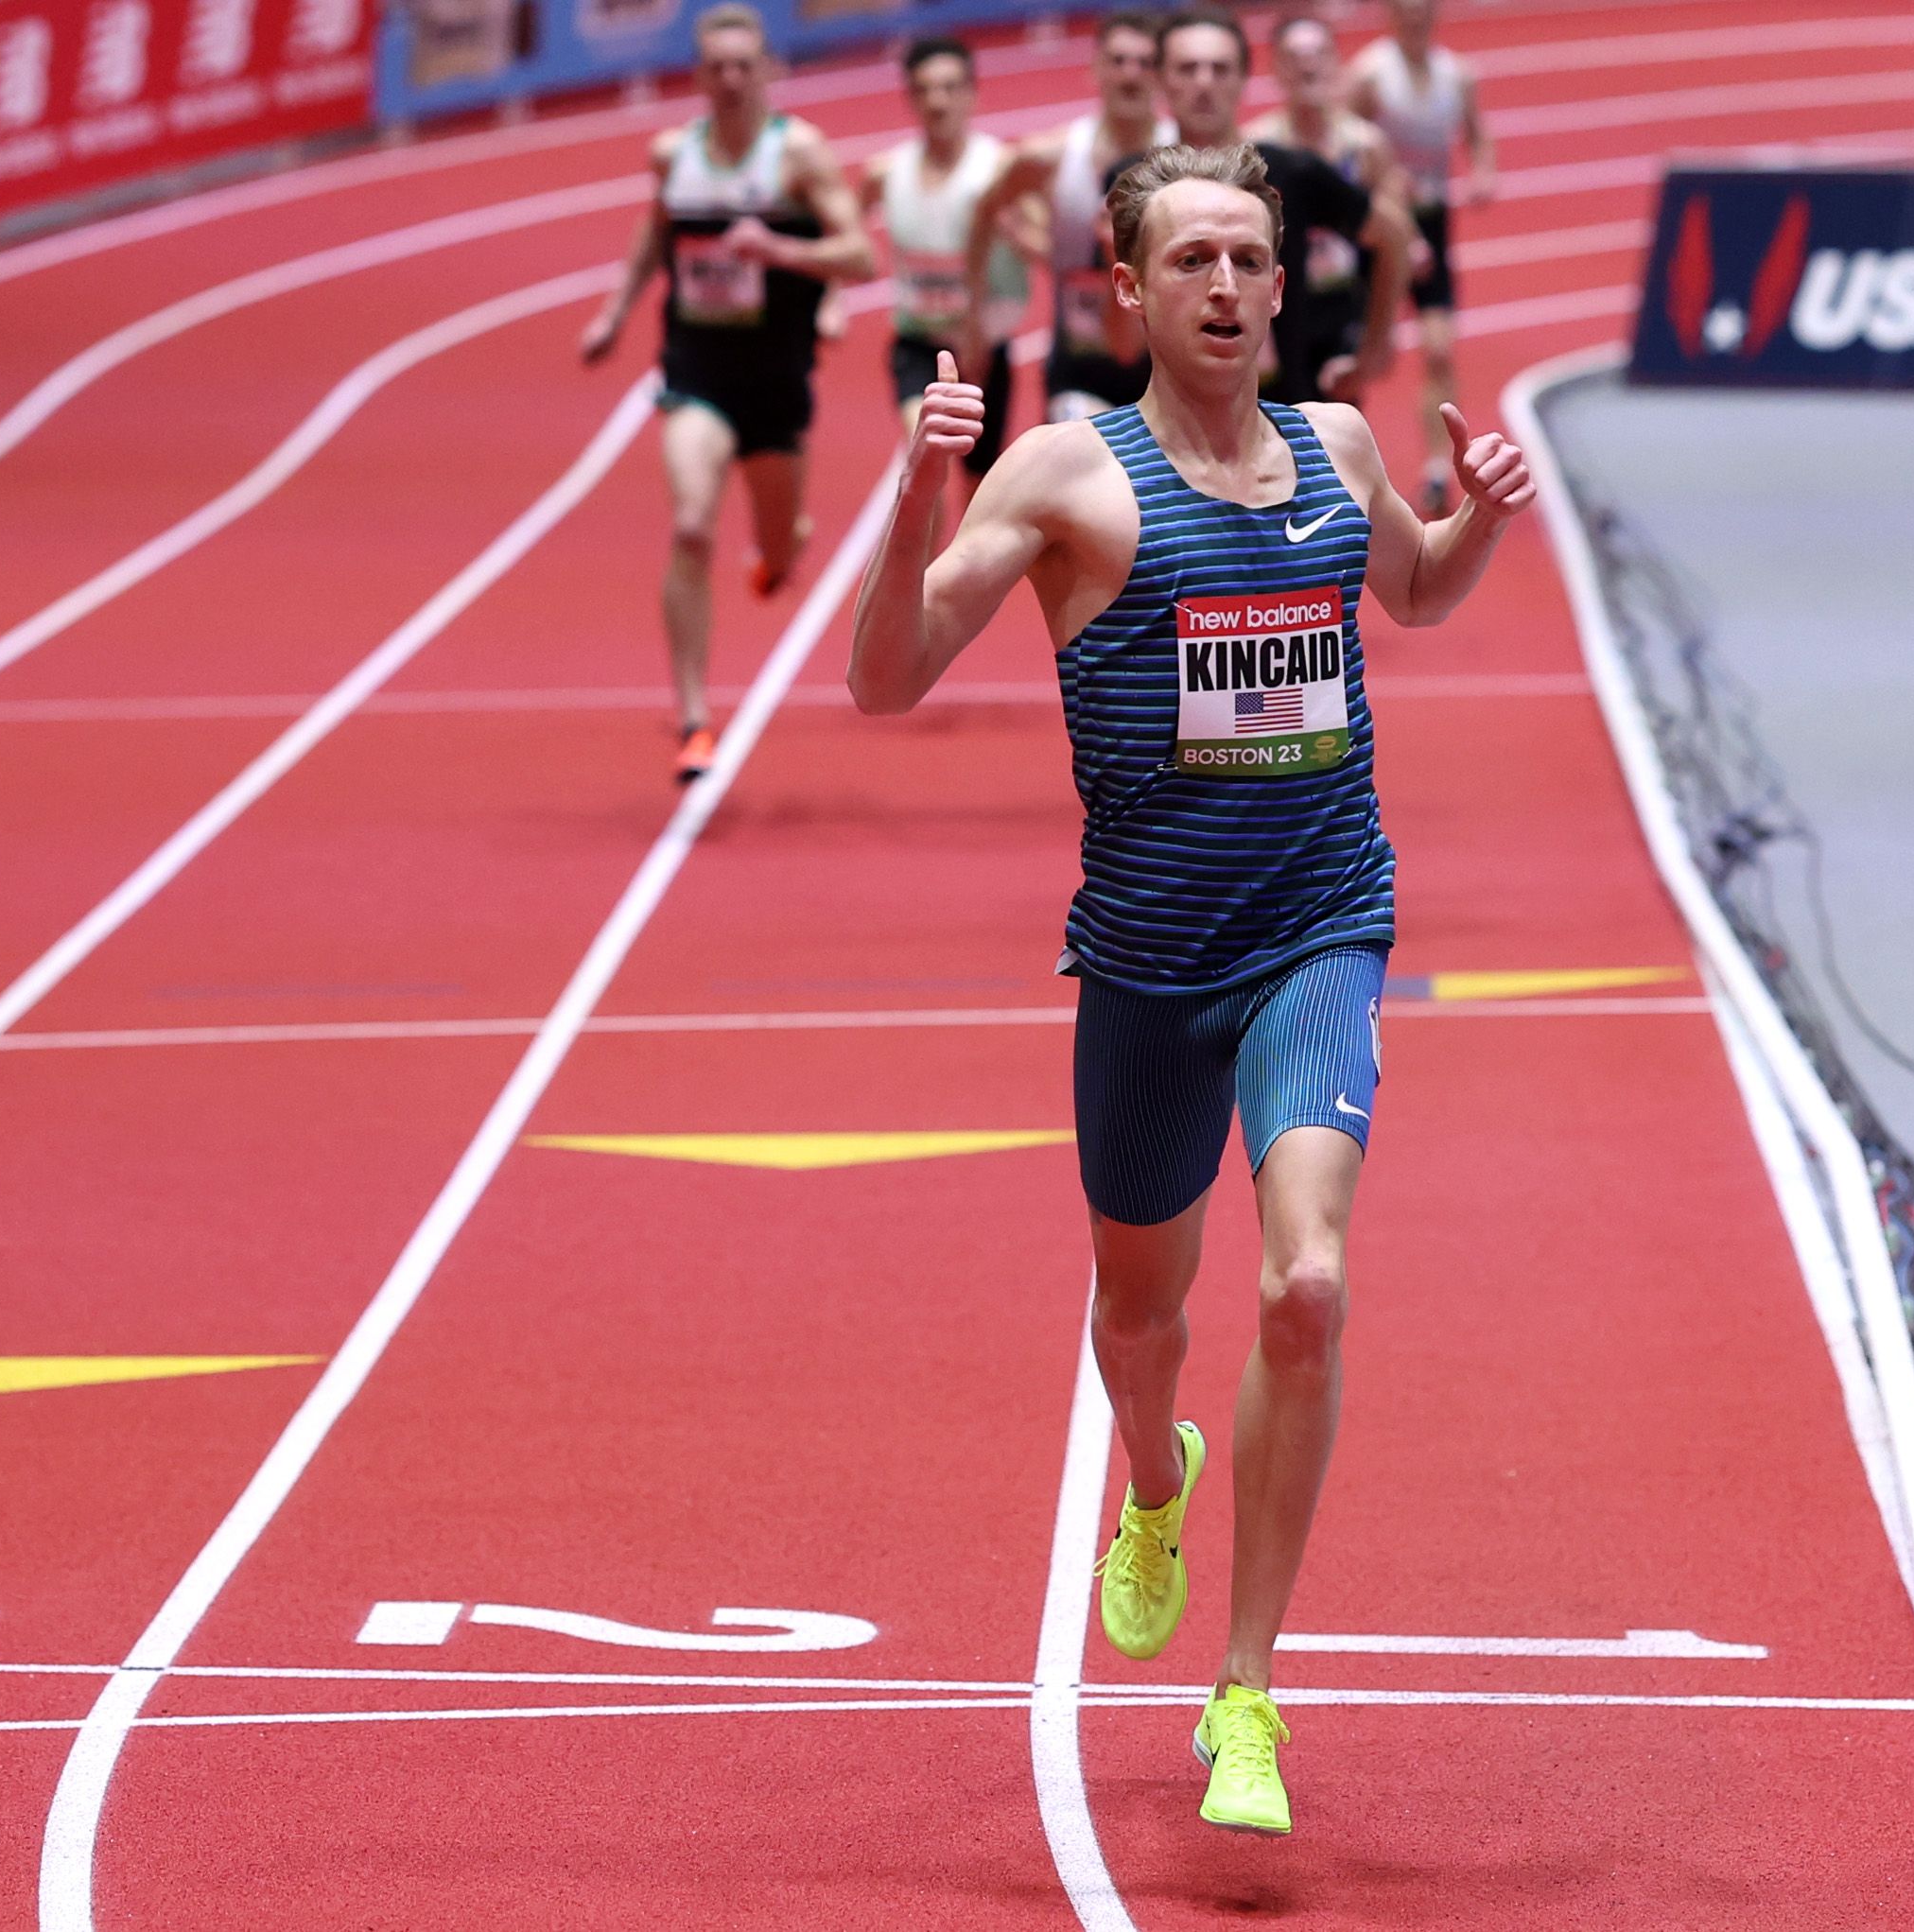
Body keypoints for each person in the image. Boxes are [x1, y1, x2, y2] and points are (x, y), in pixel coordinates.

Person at [846, 143, 1535, 1836]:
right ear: (1127, 293)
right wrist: (914, 501)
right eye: (1194, 261)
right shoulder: (1066, 478)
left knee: (1306, 1287)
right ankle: (1154, 1485)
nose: (1227, 286)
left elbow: (1422, 589)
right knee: (1141, 1324)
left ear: (1283, 286)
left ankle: (1248, 1690)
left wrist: (1482, 521)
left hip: (1320, 927)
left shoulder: (1338, 444)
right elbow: (885, 682)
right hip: (1150, 970)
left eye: (1252, 257)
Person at [580, 2, 870, 783]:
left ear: (767, 69)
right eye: (718, 67)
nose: (733, 79)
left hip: (776, 381)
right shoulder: (672, 153)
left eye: (746, 65)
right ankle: (694, 717)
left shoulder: (797, 155)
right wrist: (614, 311)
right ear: (701, 75)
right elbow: (655, 230)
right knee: (691, 527)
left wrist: (773, 245)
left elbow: (859, 256)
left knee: (773, 559)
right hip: (695, 374)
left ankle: (784, 545)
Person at [1149, 6, 1404, 411]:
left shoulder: (1290, 170)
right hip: (1175, 418)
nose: (1203, 83)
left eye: (1219, 69)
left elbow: (1393, 234)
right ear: (1160, 79)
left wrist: (1372, 350)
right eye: (1187, 68)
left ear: (1244, 78)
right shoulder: (1141, 185)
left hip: (1287, 414)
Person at [960, 9, 1166, 425]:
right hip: (1079, 370)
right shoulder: (1051, 157)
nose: (1131, 74)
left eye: (1145, 63)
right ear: (1095, 69)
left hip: (1165, 371)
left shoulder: (1187, 159)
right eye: (1119, 61)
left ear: (1161, 75)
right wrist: (976, 317)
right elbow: (985, 209)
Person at [858, 36, 1027, 545]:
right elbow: (845, 232)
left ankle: (953, 591)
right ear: (910, 98)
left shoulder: (1002, 170)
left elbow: (1047, 245)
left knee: (979, 493)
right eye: (926, 89)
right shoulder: (886, 172)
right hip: (918, 343)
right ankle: (921, 591)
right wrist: (827, 301)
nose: (938, 101)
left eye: (951, 88)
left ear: (973, 94)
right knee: (926, 455)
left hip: (984, 351)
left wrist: (1018, 231)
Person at [1347, 0, 1492, 515]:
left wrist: (1481, 171)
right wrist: (1382, 184)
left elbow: (1478, 135)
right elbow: (1344, 146)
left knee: (1438, 351)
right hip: (1381, 227)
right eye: (1405, 11)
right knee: (1356, 359)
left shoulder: (1459, 76)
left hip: (1432, 219)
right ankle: (1341, 468)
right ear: (1391, 15)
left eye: (1423, 11)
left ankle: (1437, 471)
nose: (1415, 20)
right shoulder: (1369, 75)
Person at [1245, 12, 1401, 404]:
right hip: (1279, 314)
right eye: (1294, 56)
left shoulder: (1366, 146)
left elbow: (1395, 236)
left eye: (1318, 53)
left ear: (1336, 63)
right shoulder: (1256, 147)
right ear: (1277, 69)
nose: (1307, 63)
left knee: (1339, 433)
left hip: (1343, 312)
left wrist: (1376, 341)